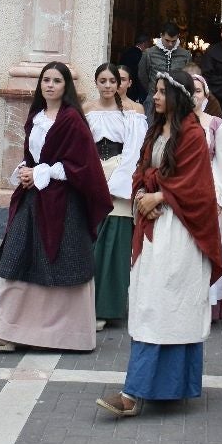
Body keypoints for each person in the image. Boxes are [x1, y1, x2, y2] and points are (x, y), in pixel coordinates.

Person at [96, 70, 222, 417]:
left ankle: (133, 393)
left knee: (165, 305)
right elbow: (141, 167)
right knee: (149, 302)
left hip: (180, 232)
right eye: (154, 90)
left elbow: (197, 186)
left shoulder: (194, 134)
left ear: (178, 96)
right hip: (152, 225)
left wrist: (161, 197)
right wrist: (141, 193)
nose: (154, 96)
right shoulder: (155, 130)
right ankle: (164, 387)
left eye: (162, 91)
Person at [0, 62, 111, 352]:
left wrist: (42, 173)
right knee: (16, 259)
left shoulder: (72, 120)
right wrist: (27, 170)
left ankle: (68, 336)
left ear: (65, 87)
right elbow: (32, 155)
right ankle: (4, 331)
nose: (49, 85)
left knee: (63, 265)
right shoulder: (36, 117)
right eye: (45, 80)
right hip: (33, 199)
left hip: (63, 205)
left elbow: (83, 166)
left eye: (56, 80)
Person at [83, 63, 147, 329]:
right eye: (103, 80)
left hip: (121, 179)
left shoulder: (134, 112)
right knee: (92, 244)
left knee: (115, 247)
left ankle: (109, 307)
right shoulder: (86, 110)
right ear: (96, 82)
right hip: (92, 176)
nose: (109, 86)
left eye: (114, 81)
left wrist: (119, 178)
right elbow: (80, 146)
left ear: (122, 83)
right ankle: (86, 306)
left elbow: (136, 150)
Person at [191, 72, 222, 321]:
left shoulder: (216, 124)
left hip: (207, 195)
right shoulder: (173, 123)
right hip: (181, 196)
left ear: (206, 95)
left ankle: (208, 302)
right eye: (190, 90)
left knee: (207, 249)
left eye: (198, 90)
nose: (193, 95)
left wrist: (218, 195)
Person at [138, 23, 190, 120]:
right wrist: (152, 89)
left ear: (178, 37)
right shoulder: (149, 53)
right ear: (161, 35)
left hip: (176, 101)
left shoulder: (185, 55)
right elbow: (142, 75)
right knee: (151, 130)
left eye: (173, 41)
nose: (170, 44)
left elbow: (188, 78)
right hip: (154, 99)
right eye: (167, 40)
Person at [117, 34, 149, 104]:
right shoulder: (142, 55)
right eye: (148, 44)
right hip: (135, 87)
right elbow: (141, 74)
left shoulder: (126, 52)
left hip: (123, 84)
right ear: (144, 43)